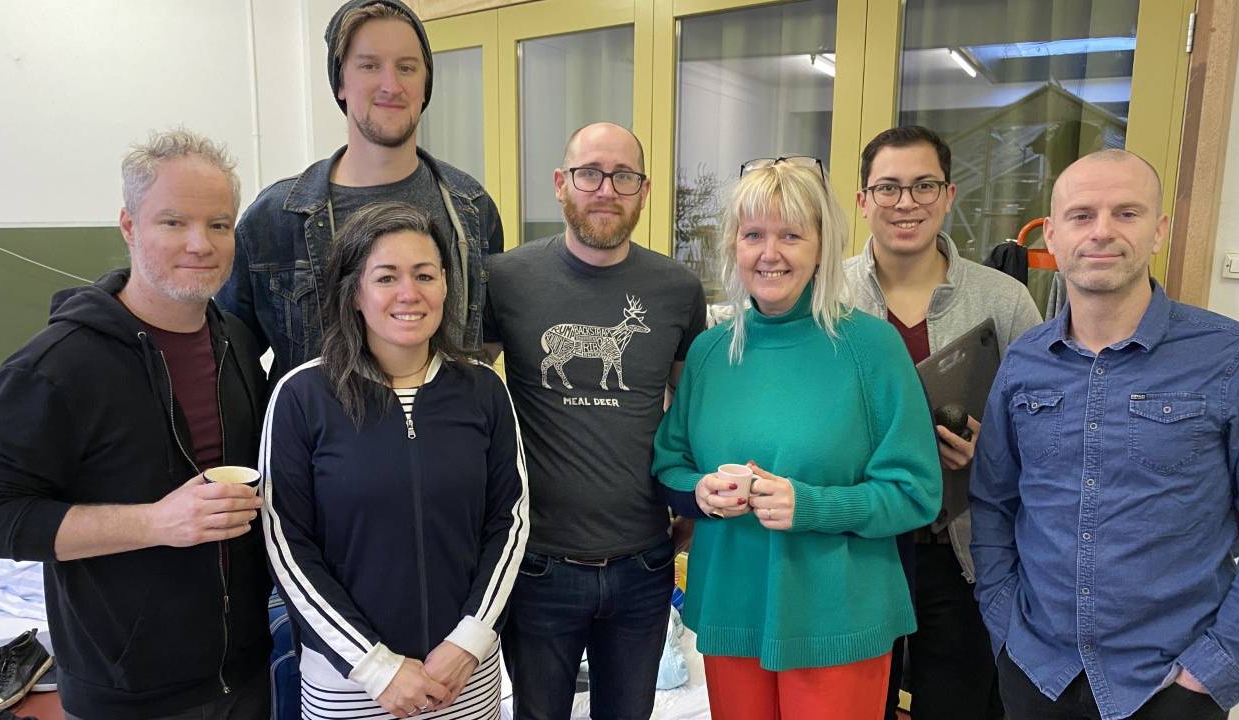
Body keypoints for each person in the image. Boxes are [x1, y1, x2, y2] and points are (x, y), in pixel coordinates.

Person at [0, 129, 271, 720]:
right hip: (128, 689)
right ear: (129, 226)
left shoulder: (236, 342)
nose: (200, 244)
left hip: (244, 670)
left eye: (219, 224)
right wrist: (155, 523)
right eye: (173, 223)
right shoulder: (56, 366)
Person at [652, 157, 942, 720]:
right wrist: (701, 491)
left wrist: (811, 505)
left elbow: (916, 491)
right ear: (734, 245)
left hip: (838, 616)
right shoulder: (713, 351)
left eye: (791, 235)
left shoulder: (872, 349)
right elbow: (670, 463)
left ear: (821, 247)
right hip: (733, 608)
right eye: (754, 234)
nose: (770, 253)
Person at [971, 149, 1239, 720]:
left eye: (1126, 213)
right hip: (1037, 672)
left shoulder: (1230, 356)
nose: (1101, 232)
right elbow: (992, 501)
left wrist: (1218, 663)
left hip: (1169, 685)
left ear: (1159, 231)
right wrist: (1003, 618)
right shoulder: (1026, 359)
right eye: (1081, 215)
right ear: (1052, 234)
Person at [261, 202, 528, 719]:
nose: (409, 293)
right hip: (351, 686)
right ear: (354, 292)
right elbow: (287, 545)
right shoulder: (302, 397)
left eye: (424, 274)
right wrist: (376, 667)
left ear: (446, 285)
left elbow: (510, 522)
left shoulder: (482, 390)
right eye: (386, 277)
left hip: (463, 679)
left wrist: (469, 641)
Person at [483, 121, 706, 719]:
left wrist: (689, 505)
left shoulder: (678, 289)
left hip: (645, 563)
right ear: (561, 184)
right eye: (589, 173)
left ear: (643, 189)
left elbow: (692, 413)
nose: (606, 189)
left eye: (623, 176)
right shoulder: (505, 279)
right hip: (538, 563)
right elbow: (466, 397)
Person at [845, 125, 1040, 720]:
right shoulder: (826, 297)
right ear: (863, 200)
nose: (907, 203)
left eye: (924, 186)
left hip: (960, 554)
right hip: (855, 549)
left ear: (949, 194)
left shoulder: (1003, 301)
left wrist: (990, 454)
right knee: (854, 706)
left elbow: (1048, 433)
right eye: (889, 188)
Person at [219, 0, 503, 381]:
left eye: (406, 67)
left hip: (445, 438)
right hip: (317, 441)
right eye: (369, 65)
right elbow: (228, 358)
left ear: (425, 85)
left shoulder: (472, 208)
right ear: (340, 83)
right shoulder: (273, 219)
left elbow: (485, 341)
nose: (391, 85)